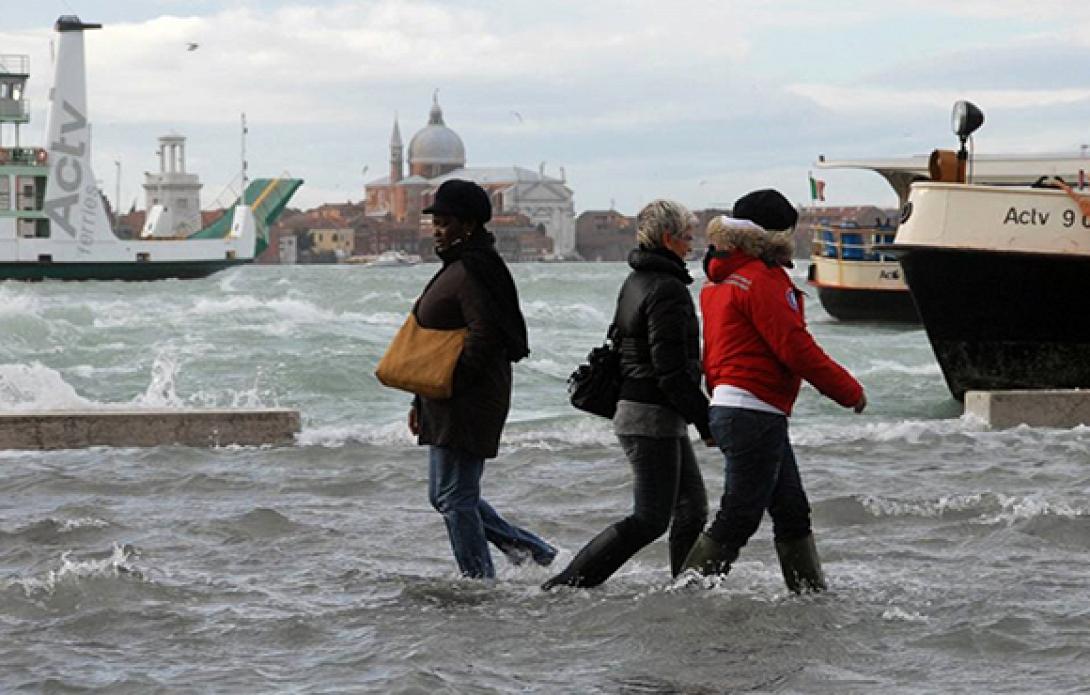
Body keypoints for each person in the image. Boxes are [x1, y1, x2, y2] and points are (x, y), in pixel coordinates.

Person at [680, 189, 866, 593]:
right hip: (754, 411)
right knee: (739, 516)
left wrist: (717, 408)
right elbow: (795, 348)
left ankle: (809, 597)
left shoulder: (721, 280)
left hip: (737, 407)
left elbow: (714, 356)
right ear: (777, 235)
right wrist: (849, 391)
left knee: (792, 510)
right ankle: (686, 596)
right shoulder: (762, 280)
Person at [542, 199, 713, 590]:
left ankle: (686, 588)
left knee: (691, 509)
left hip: (648, 411)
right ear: (668, 238)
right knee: (651, 518)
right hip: (649, 414)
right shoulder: (667, 288)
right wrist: (705, 420)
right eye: (687, 237)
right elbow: (669, 370)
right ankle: (567, 584)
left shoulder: (637, 280)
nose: (691, 245)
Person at [408, 179, 556, 579]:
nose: (436, 229)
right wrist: (421, 399)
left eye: (444, 221)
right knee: (443, 496)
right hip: (444, 397)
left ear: (468, 224)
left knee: (456, 497)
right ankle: (533, 552)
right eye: (434, 222)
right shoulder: (457, 266)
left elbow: (484, 335)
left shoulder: (477, 269)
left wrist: (452, 383)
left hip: (468, 398)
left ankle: (479, 582)